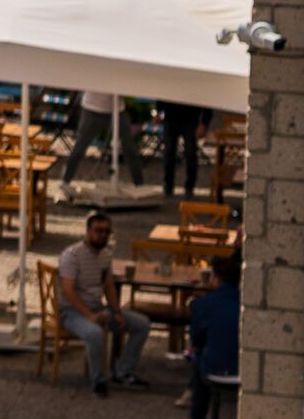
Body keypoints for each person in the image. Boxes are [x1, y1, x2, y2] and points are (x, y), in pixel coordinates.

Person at [55, 209, 151, 396]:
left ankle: (123, 371)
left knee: (141, 324)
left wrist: (116, 312)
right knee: (95, 333)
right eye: (98, 231)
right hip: (71, 311)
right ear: (88, 231)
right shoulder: (72, 255)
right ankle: (97, 380)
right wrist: (90, 315)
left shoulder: (105, 255)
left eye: (107, 232)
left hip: (98, 308)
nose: (103, 235)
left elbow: (109, 287)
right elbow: (68, 290)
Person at [185, 251, 242, 419]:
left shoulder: (203, 305)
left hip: (216, 371)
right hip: (245, 369)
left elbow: (197, 340)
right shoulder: (245, 303)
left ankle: (198, 417)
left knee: (197, 358)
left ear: (217, 278)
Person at [61, 89, 145, 189]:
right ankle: (65, 180)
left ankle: (140, 185)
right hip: (92, 109)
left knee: (130, 148)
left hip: (117, 110)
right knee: (79, 147)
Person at [162, 101, 205, 199]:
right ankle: (168, 185)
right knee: (169, 153)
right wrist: (158, 109)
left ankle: (190, 186)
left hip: (190, 117)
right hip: (171, 116)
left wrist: (204, 122)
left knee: (190, 154)